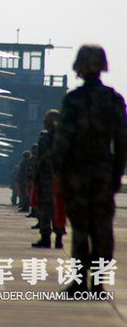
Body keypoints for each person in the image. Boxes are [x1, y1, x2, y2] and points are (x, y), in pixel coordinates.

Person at [52, 44, 127, 292]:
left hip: (77, 171)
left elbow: (63, 140)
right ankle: (99, 281)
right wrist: (117, 172)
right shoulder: (114, 100)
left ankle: (80, 280)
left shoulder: (73, 100)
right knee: (103, 226)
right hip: (103, 171)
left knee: (81, 226)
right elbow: (121, 141)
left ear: (79, 67)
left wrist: (58, 171)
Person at [31, 110, 60, 248]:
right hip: (61, 180)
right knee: (59, 208)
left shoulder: (45, 139)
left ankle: (46, 238)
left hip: (46, 180)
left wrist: (35, 178)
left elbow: (40, 160)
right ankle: (59, 238)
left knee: (45, 209)